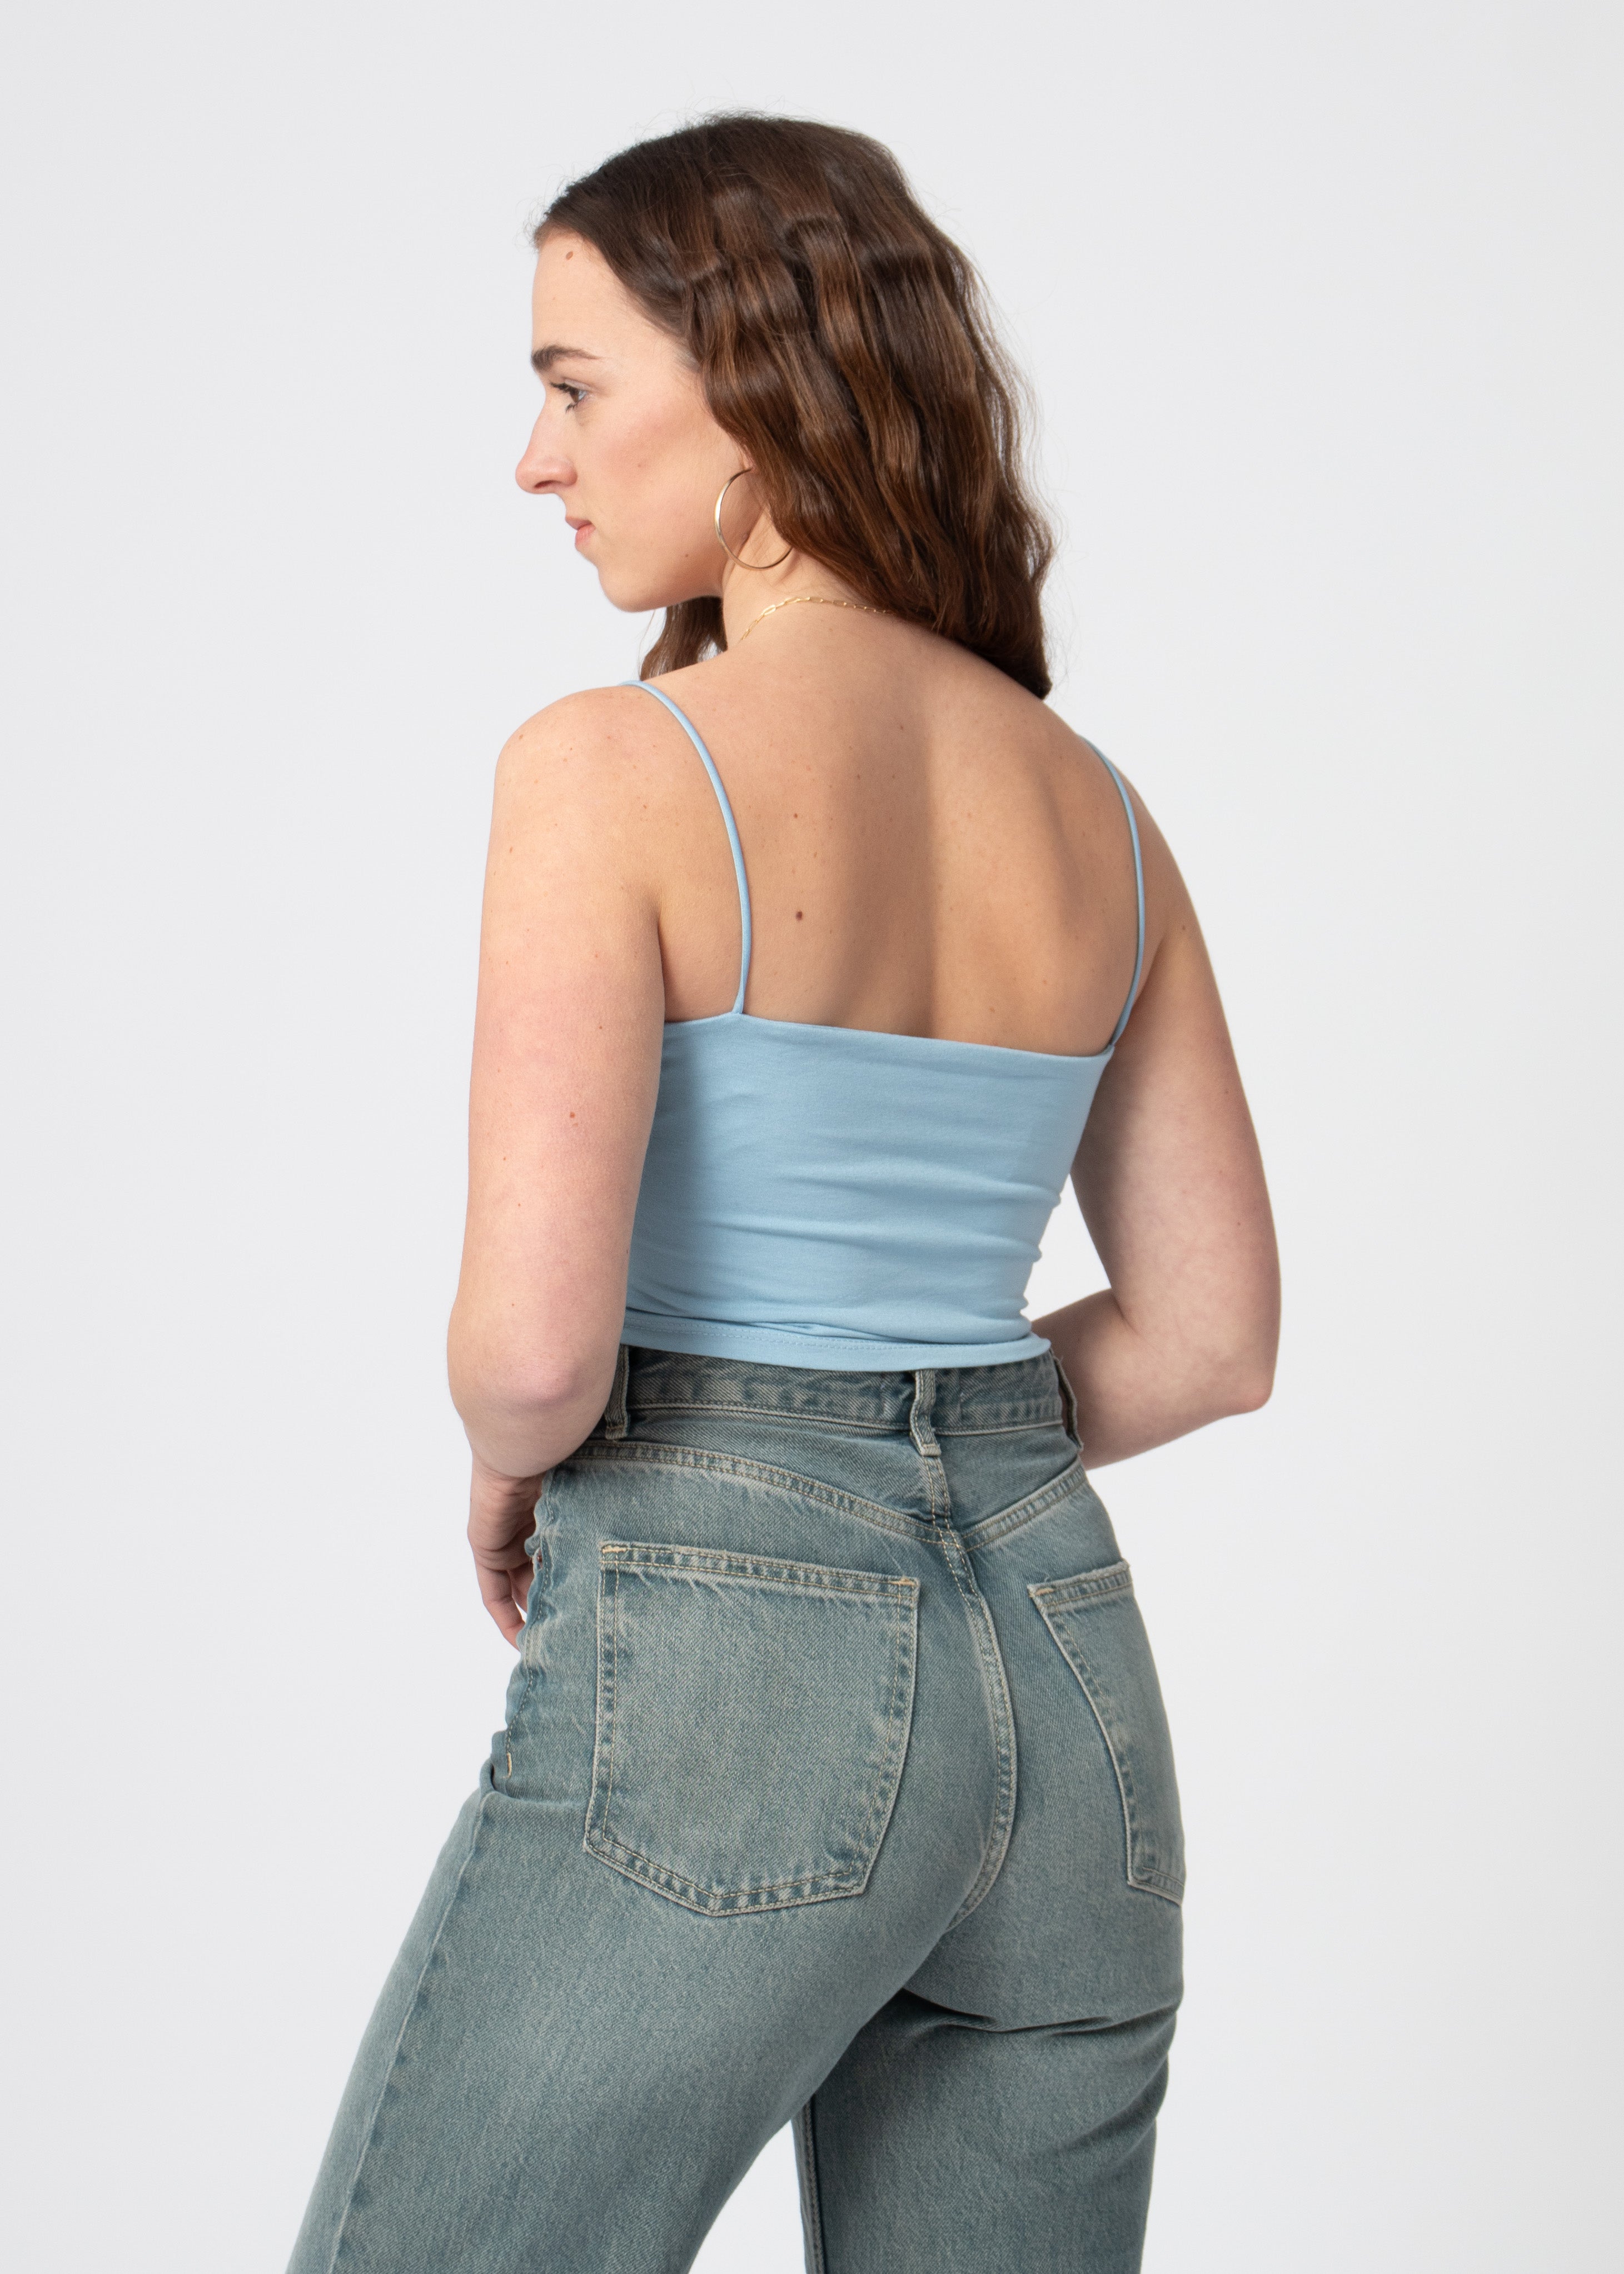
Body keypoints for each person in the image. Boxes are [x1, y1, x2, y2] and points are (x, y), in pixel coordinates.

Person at [287, 114, 1279, 2274]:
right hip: (1066, 1684)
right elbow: (1209, 1342)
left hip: (741, 1651)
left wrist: (517, 1458)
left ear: (749, 393)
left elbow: (534, 1353)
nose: (535, 463)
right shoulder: (1097, 812)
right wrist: (944, 1434)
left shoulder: (615, 767)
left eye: (573, 388)